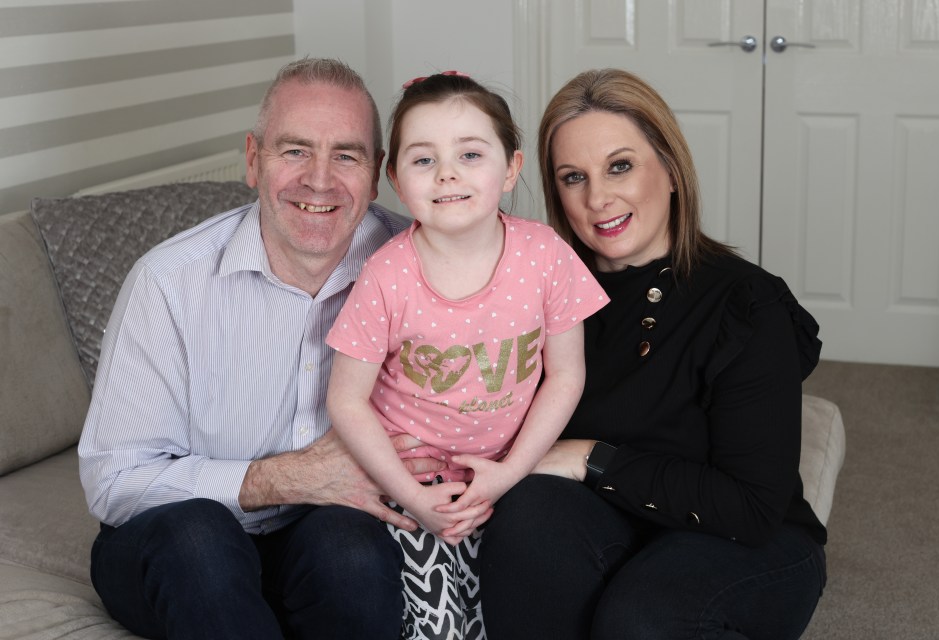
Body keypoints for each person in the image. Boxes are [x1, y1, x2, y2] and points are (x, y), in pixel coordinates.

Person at [77, 58, 489, 640]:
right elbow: (115, 481)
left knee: (353, 549)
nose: (319, 180)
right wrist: (289, 478)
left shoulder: (419, 264)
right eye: (295, 150)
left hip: (319, 533)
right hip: (169, 542)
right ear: (253, 159)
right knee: (201, 540)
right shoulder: (169, 281)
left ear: (378, 177)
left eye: (346, 155)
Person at [478, 68, 827, 640]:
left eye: (620, 165)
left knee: (642, 615)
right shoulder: (540, 292)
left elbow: (751, 508)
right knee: (529, 512)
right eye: (573, 177)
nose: (597, 198)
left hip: (747, 540)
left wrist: (590, 455)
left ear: (669, 168)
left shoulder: (744, 303)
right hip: (612, 519)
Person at [325, 72, 608, 640]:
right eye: (423, 159)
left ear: (510, 169)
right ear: (395, 181)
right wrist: (412, 499)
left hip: (510, 475)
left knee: (520, 612)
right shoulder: (386, 275)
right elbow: (346, 400)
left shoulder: (545, 255)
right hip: (408, 485)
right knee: (432, 628)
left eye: (470, 154)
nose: (448, 173)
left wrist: (508, 474)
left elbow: (566, 375)